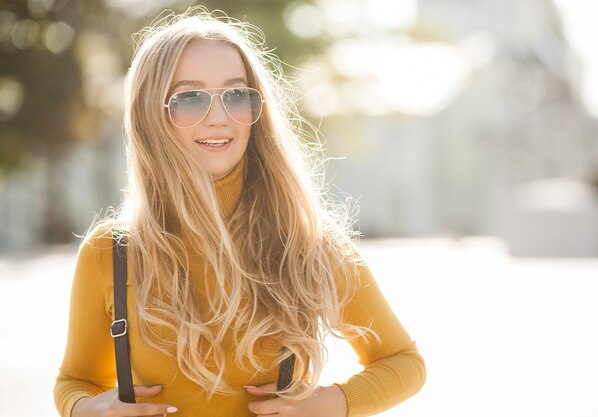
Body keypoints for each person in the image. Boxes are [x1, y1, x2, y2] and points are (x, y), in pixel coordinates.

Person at [54, 7, 425, 417]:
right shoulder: (111, 253)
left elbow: (404, 362)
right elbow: (76, 382)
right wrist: (87, 410)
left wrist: (335, 402)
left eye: (236, 95)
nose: (219, 118)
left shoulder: (307, 241)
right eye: (190, 98)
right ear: (150, 114)